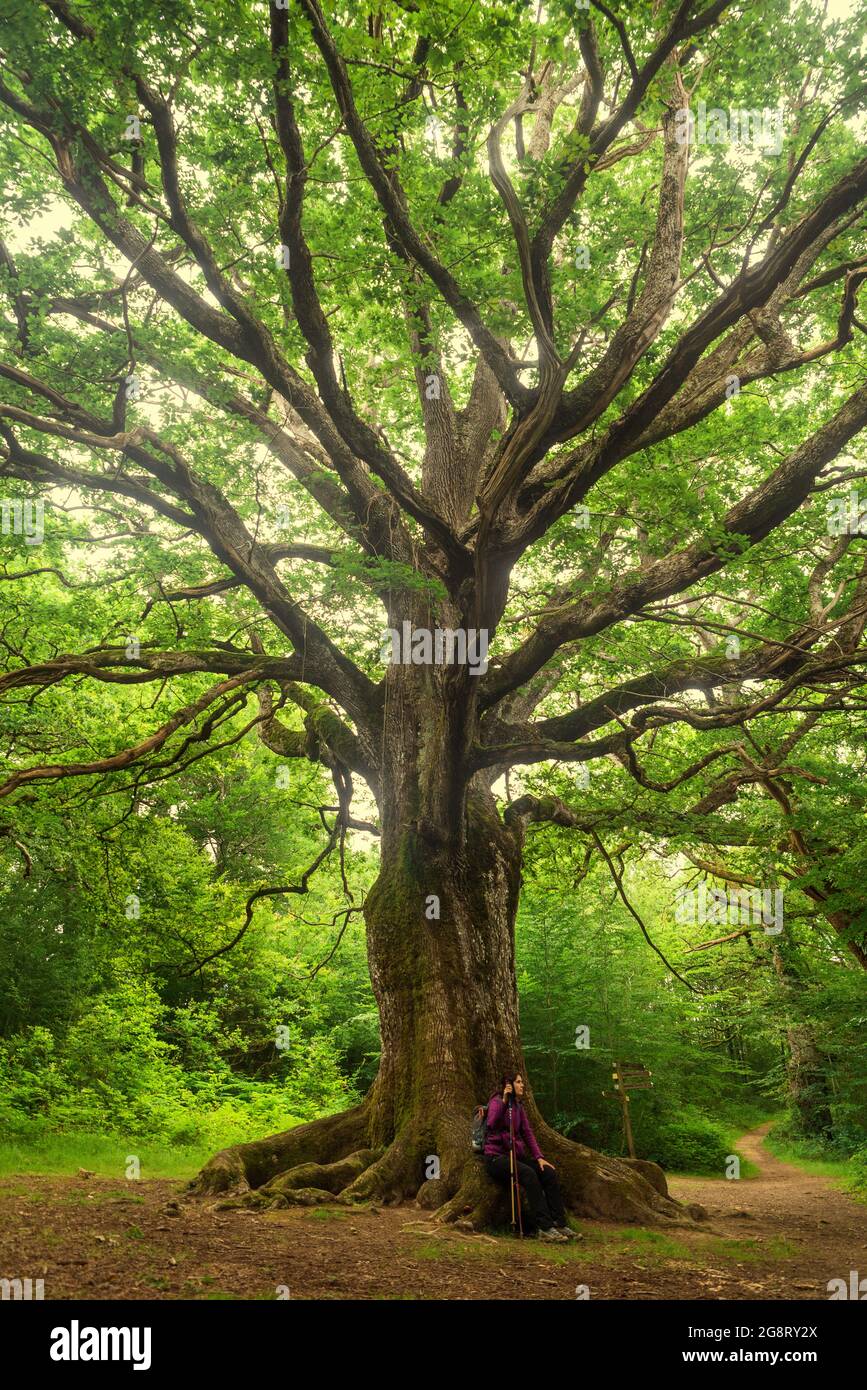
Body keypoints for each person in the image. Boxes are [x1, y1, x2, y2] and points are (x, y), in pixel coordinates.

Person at [483, 1070, 575, 1242]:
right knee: (528, 1174)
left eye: (521, 1082)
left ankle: (559, 1223)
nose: (522, 1085)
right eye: (518, 1082)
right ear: (508, 1085)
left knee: (548, 1172)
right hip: (496, 1158)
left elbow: (527, 1132)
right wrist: (504, 1100)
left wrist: (539, 1157)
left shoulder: (518, 1107)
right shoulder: (496, 1102)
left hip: (515, 1157)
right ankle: (544, 1228)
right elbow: (491, 1123)